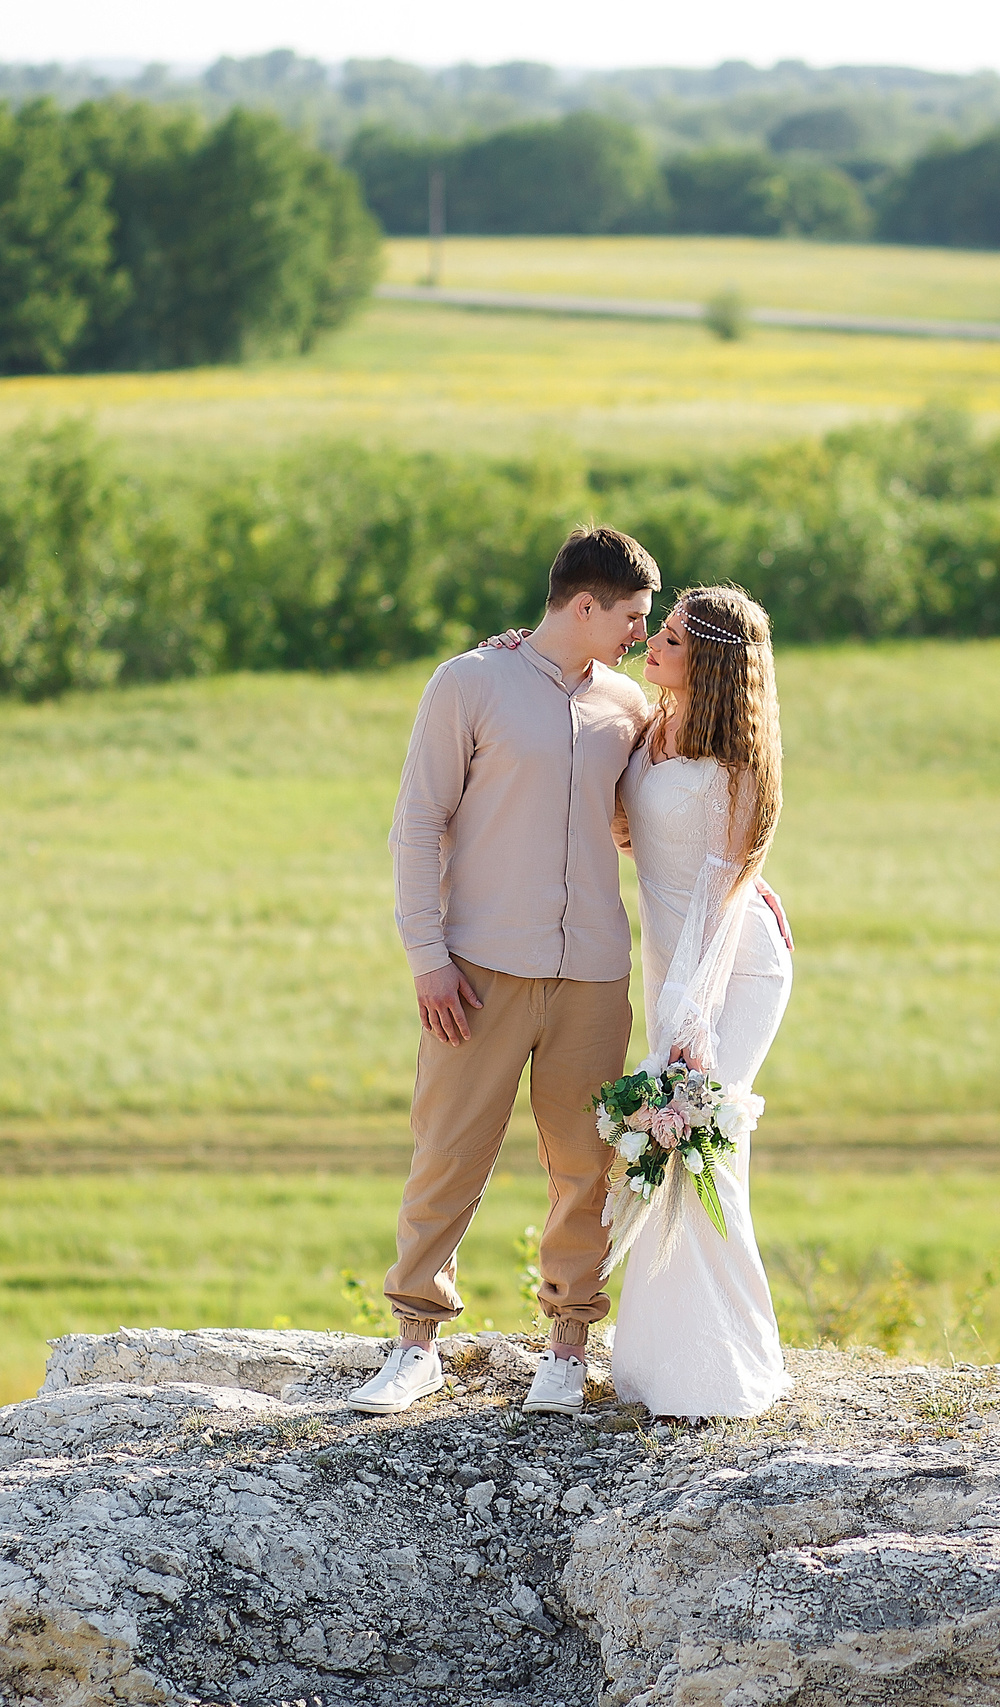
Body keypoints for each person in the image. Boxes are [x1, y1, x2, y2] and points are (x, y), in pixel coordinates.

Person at [348, 527, 658, 1418]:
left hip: (593, 974)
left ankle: (566, 1346)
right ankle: (415, 1344)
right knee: (448, 1150)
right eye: (632, 616)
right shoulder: (469, 683)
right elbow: (416, 823)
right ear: (585, 605)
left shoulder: (629, 705)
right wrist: (428, 957)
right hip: (477, 972)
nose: (640, 632)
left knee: (587, 1163)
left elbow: (657, 823)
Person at [605, 585, 795, 1420]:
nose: (653, 641)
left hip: (730, 969)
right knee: (669, 1154)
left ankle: (723, 1372)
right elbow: (642, 837)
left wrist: (691, 1018)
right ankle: (653, 1364)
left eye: (672, 637)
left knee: (704, 1150)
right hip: (671, 964)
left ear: (708, 659)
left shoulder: (738, 760)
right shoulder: (652, 724)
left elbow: (721, 889)